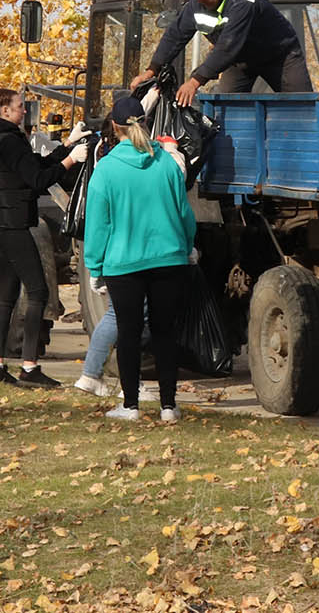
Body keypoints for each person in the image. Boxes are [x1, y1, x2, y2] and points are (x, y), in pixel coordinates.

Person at [82, 96, 195, 422]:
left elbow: (98, 224)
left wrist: (95, 266)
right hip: (169, 259)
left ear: (114, 127)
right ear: (145, 122)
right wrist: (188, 246)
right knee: (165, 333)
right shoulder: (167, 164)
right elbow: (183, 213)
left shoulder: (106, 169)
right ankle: (169, 406)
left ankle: (130, 405)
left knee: (129, 334)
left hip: (124, 262)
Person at [0, 88, 89, 387]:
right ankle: (29, 368)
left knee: (8, 296)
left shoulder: (1, 140)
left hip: (2, 226)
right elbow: (40, 180)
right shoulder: (10, 143)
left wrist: (67, 145)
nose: (24, 110)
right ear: (5, 112)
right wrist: (71, 162)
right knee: (38, 292)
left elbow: (35, 167)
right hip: (12, 227)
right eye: (19, 106)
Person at [131, 0, 313, 108]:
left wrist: (194, 82)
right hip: (239, 61)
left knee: (301, 108)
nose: (200, 0)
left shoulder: (243, 1)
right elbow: (175, 35)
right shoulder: (197, 3)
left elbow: (227, 47)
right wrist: (151, 70)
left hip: (279, 58)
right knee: (225, 108)